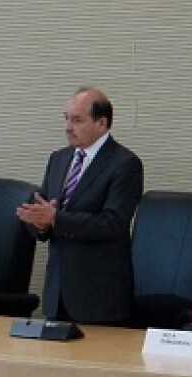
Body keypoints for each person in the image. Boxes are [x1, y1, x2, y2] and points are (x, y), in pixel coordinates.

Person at [16, 87, 144, 325]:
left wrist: (56, 219)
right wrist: (39, 223)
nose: (67, 127)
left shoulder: (125, 164)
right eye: (66, 118)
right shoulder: (58, 159)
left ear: (101, 123)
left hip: (99, 297)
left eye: (77, 120)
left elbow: (112, 224)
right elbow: (44, 212)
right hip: (58, 293)